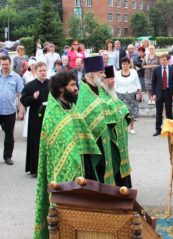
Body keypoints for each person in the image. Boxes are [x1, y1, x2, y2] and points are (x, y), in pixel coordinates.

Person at [33, 71, 101, 239]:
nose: (76, 88)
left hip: (78, 168)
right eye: (72, 85)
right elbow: (58, 147)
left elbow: (82, 134)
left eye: (75, 84)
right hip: (60, 172)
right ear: (61, 88)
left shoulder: (71, 107)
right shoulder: (53, 114)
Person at [76, 56, 132, 187]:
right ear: (90, 73)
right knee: (99, 172)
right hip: (95, 144)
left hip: (108, 138)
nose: (104, 75)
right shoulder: (84, 94)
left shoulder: (99, 88)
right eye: (101, 72)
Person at [20, 62, 49, 176]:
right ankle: (36, 169)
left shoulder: (51, 83)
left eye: (44, 70)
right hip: (35, 118)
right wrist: (33, 97)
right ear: (36, 71)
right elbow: (24, 101)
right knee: (36, 142)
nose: (43, 72)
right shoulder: (30, 85)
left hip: (48, 117)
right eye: (41, 71)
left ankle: (47, 168)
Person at [0, 55, 24, 165]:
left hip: (9, 111)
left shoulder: (16, 77)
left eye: (6, 64)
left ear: (10, 64)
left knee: (9, 135)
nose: (5, 66)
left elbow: (20, 95)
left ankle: (7, 156)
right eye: (3, 64)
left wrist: (20, 110)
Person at [152, 53, 173, 136]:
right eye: (161, 60)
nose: (162, 61)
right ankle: (158, 129)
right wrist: (154, 94)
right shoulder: (156, 70)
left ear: (167, 60)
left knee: (169, 111)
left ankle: (171, 129)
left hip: (168, 92)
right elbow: (153, 83)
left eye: (164, 60)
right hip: (159, 93)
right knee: (159, 111)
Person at [115, 57, 142, 135]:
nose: (125, 65)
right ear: (121, 65)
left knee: (131, 112)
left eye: (127, 64)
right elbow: (115, 85)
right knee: (121, 112)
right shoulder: (117, 73)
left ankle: (132, 128)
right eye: (123, 64)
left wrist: (140, 92)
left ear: (129, 64)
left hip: (132, 93)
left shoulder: (134, 72)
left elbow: (137, 82)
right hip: (120, 94)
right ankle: (123, 128)